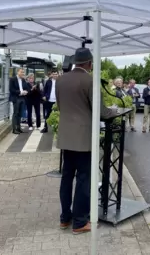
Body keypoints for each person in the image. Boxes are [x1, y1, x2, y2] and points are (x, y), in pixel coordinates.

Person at [55, 47, 117, 234]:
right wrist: (113, 110)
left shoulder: (60, 79)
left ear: (75, 61)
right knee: (83, 180)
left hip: (66, 136)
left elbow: (60, 105)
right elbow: (101, 112)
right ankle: (80, 222)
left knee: (66, 178)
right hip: (83, 138)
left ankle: (65, 218)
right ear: (90, 63)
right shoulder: (90, 80)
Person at [9, 68, 28, 134]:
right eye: (21, 72)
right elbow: (11, 89)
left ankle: (18, 128)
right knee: (15, 113)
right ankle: (14, 129)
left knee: (20, 114)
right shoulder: (13, 79)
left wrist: (26, 91)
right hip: (16, 98)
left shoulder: (23, 80)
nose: (22, 73)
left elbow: (26, 87)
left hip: (22, 98)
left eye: (23, 72)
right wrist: (20, 92)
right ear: (18, 72)